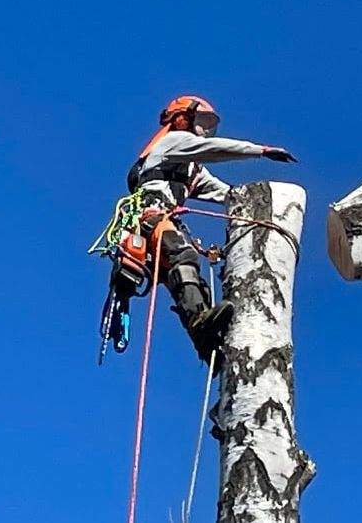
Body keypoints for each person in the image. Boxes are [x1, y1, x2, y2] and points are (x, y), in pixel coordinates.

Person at [127, 95, 297, 369]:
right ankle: (200, 323)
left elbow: (226, 193)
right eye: (201, 122)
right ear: (184, 118)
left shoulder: (192, 170)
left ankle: (205, 340)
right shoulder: (171, 142)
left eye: (209, 125)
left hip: (164, 220)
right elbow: (213, 148)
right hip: (151, 215)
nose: (204, 130)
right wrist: (260, 151)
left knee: (189, 279)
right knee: (183, 256)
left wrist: (254, 203)